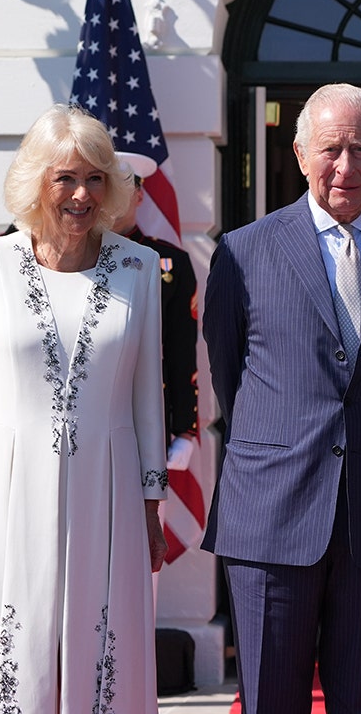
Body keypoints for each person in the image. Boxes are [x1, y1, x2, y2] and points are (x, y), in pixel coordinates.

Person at [202, 83, 361, 712]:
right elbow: (230, 378)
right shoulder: (243, 251)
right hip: (270, 516)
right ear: (301, 154)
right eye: (331, 149)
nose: (345, 166)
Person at [0, 103, 169, 714]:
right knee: (16, 649)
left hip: (109, 490)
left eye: (95, 178)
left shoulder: (139, 267)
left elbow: (147, 394)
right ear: (37, 181)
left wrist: (151, 504)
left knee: (105, 648)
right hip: (4, 489)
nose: (82, 194)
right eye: (65, 178)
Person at [114, 152, 200, 478]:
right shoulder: (72, 258)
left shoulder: (169, 262)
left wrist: (185, 429)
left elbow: (181, 348)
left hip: (147, 416)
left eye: (123, 186)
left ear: (139, 194)